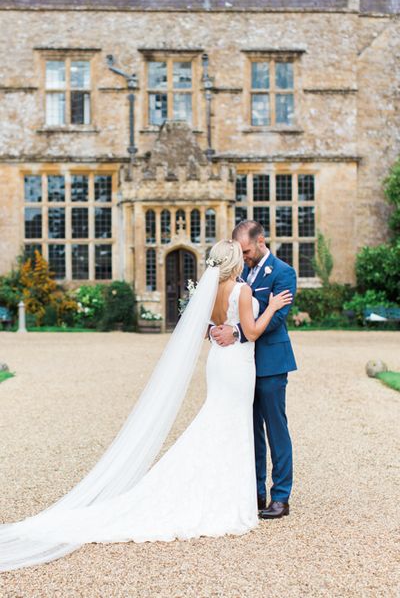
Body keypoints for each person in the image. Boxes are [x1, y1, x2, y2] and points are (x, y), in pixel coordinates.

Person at [0, 240, 292, 572]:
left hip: (219, 364)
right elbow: (252, 332)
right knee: (229, 426)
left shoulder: (208, 291)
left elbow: (204, 329)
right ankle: (227, 500)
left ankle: (225, 494)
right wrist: (271, 306)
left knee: (218, 423)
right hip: (237, 366)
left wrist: (217, 329)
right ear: (236, 262)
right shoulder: (241, 291)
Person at [211, 222, 297, 519]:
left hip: (271, 364)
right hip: (242, 367)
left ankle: (281, 497)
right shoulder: (239, 271)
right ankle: (256, 491)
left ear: (260, 241)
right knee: (251, 432)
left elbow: (277, 318)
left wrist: (236, 333)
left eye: (246, 250)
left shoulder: (283, 272)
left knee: (276, 430)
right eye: (239, 252)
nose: (243, 256)